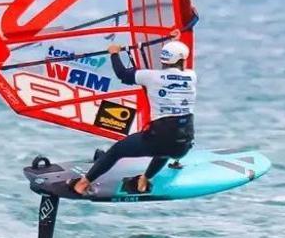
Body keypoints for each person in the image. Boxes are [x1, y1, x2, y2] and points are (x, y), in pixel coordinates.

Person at [71, 29, 196, 196]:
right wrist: (175, 42)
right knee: (166, 149)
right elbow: (179, 62)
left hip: (158, 141)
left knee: (117, 151)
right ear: (181, 60)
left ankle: (82, 184)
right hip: (183, 147)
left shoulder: (151, 77)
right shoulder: (192, 76)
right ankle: (144, 181)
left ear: (164, 60)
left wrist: (114, 54)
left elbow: (122, 74)